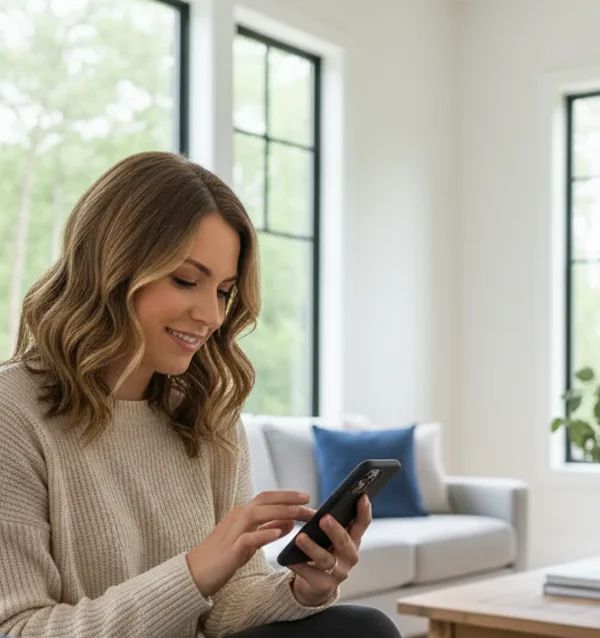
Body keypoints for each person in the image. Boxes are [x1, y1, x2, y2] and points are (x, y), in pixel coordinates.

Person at [0, 151, 401, 638]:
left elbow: (225, 607)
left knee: (361, 629)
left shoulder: (208, 411)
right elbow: (18, 628)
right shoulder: (12, 412)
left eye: (224, 292)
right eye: (187, 280)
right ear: (113, 266)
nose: (211, 316)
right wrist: (193, 570)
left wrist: (300, 590)